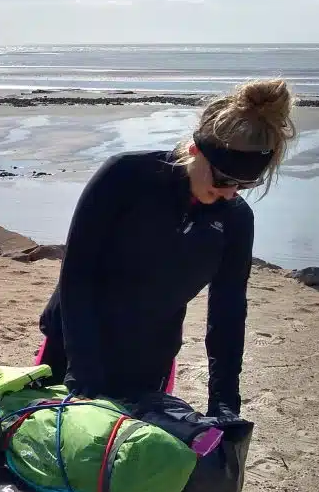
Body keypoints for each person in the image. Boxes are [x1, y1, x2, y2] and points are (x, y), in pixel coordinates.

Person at [36, 78, 298, 420]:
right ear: (195, 150)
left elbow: (227, 313)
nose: (230, 193)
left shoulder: (235, 219)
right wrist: (82, 364)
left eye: (245, 184)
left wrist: (224, 401)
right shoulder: (125, 176)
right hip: (74, 343)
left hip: (150, 361)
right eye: (223, 179)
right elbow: (76, 272)